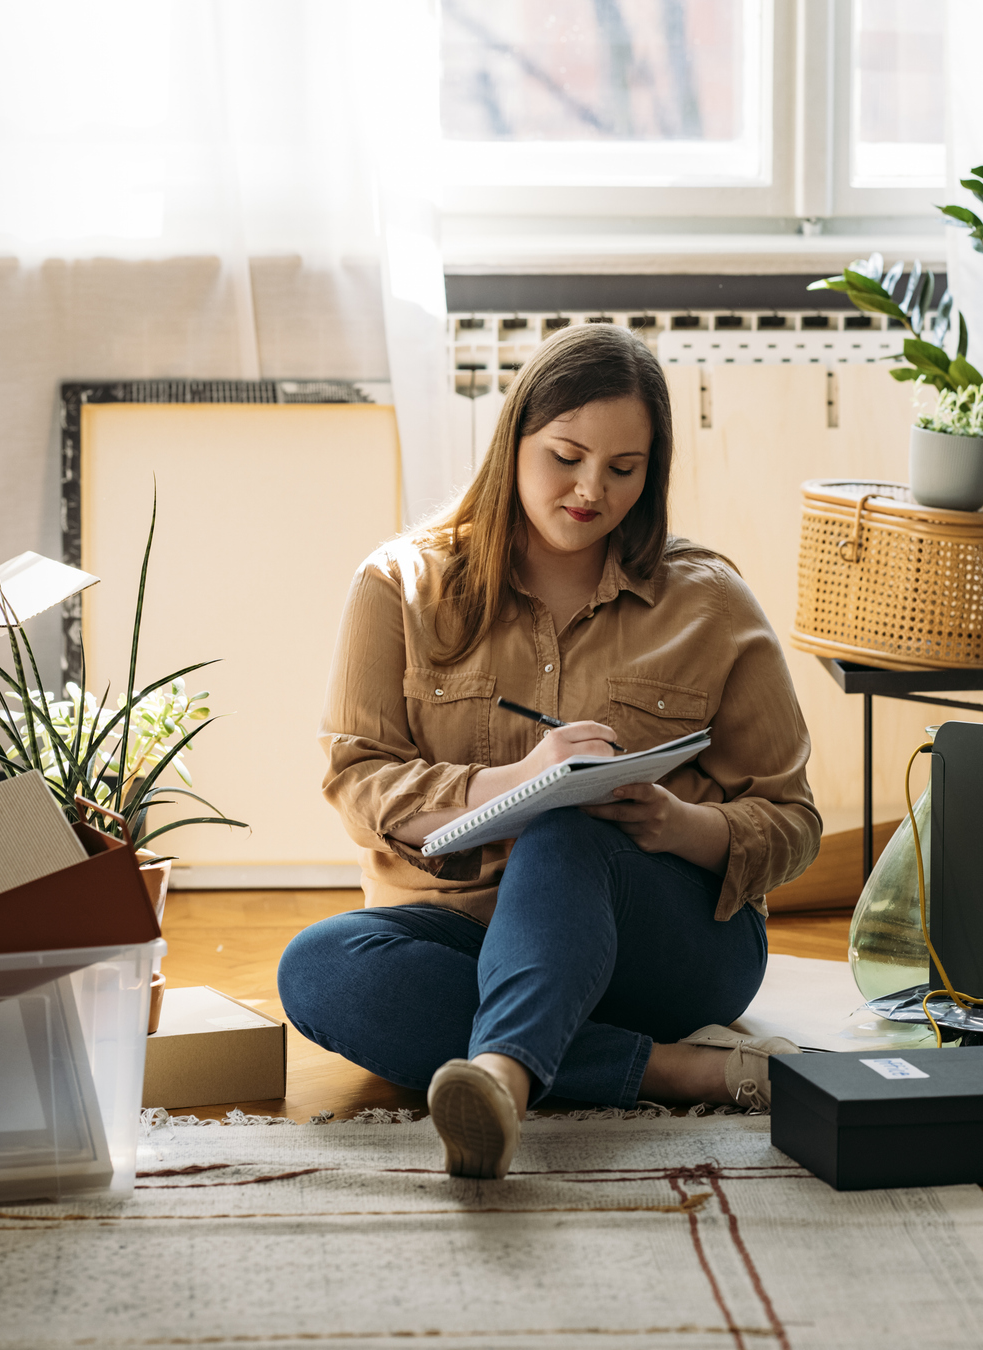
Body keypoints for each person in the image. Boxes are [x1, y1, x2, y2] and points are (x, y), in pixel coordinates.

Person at [278, 323, 820, 1179]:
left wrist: (680, 825)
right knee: (318, 969)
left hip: (664, 946)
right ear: (515, 439)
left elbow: (791, 820)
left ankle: (500, 1076)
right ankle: (676, 1070)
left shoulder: (710, 603)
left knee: (567, 833)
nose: (589, 490)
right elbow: (357, 780)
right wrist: (514, 780)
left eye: (623, 469)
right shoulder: (398, 587)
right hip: (465, 933)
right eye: (566, 456)